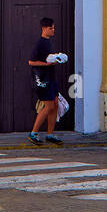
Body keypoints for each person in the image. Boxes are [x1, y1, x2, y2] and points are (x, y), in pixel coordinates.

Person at [28, 16, 67, 145]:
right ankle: (33, 133)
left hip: (51, 78)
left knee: (55, 103)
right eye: (51, 28)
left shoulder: (49, 42)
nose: (53, 30)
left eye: (54, 28)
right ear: (44, 28)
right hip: (41, 79)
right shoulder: (40, 43)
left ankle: (50, 134)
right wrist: (47, 65)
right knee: (49, 105)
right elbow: (31, 61)